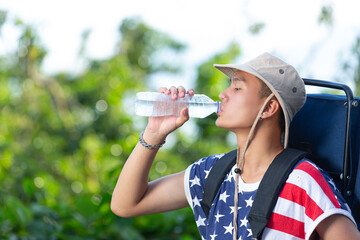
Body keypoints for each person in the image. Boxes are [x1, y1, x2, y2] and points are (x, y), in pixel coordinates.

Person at [111, 53, 360, 239]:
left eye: (237, 87)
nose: (222, 94)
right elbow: (125, 205)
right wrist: (153, 133)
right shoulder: (211, 173)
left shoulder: (303, 181)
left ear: (269, 108)